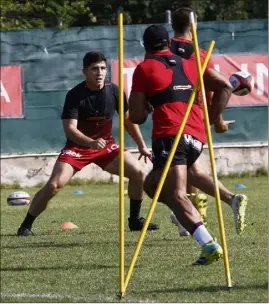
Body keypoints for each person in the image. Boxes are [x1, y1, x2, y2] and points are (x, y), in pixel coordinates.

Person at [129, 24, 239, 265]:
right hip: (197, 135)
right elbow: (225, 85)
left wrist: (148, 104)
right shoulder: (190, 63)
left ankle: (208, 244)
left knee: (176, 193)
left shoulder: (144, 68)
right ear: (168, 43)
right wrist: (215, 119)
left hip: (170, 134)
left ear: (145, 47)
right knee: (152, 185)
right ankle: (190, 218)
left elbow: (136, 117)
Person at [17, 51, 159, 236]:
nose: (99, 73)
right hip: (78, 148)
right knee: (53, 185)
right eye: (94, 69)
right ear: (84, 71)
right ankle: (26, 226)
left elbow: (127, 120)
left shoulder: (115, 91)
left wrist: (141, 145)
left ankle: (134, 221)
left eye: (103, 68)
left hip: (105, 147)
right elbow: (70, 130)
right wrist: (91, 143)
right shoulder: (75, 95)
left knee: (138, 172)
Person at [169, 7, 247, 236]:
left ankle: (190, 214)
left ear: (172, 24)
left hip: (172, 115)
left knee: (167, 175)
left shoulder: (162, 50)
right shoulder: (200, 54)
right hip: (195, 117)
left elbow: (220, 86)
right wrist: (215, 120)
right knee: (189, 169)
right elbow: (210, 88)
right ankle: (192, 215)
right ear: (195, 25)